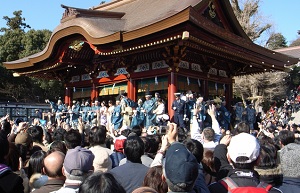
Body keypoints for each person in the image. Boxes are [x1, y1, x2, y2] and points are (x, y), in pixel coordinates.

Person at [209, 133, 282, 193]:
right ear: (259, 159)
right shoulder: (273, 191)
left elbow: (222, 165)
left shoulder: (214, 189)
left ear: (229, 158)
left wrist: (221, 146)